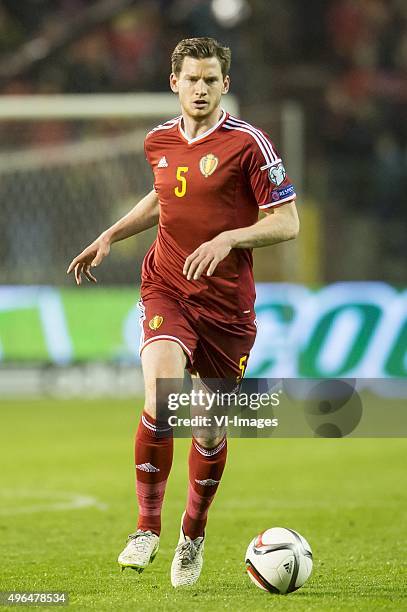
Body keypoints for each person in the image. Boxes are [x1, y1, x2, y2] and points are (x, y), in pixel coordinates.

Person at [67, 37, 299, 587]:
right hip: (167, 284)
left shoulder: (250, 145)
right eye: (191, 79)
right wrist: (110, 235)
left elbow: (287, 222)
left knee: (210, 430)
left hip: (226, 306)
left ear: (226, 85)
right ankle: (147, 525)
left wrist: (231, 239)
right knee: (161, 397)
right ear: (175, 83)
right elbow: (163, 196)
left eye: (210, 80)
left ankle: (192, 533)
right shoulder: (158, 141)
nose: (200, 88)